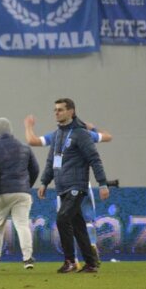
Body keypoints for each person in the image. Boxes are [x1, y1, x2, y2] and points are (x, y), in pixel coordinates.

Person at [24, 113, 113, 265]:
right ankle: (91, 246)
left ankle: (73, 259)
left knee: (66, 220)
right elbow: (108, 137)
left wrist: (28, 126)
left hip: (65, 185)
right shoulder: (85, 133)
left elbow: (33, 141)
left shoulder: (57, 135)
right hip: (84, 185)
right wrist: (94, 128)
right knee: (86, 220)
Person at [0, 118, 39, 270]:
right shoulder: (24, 147)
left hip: (0, 194)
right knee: (22, 225)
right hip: (22, 193)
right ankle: (28, 259)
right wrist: (26, 186)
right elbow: (35, 169)